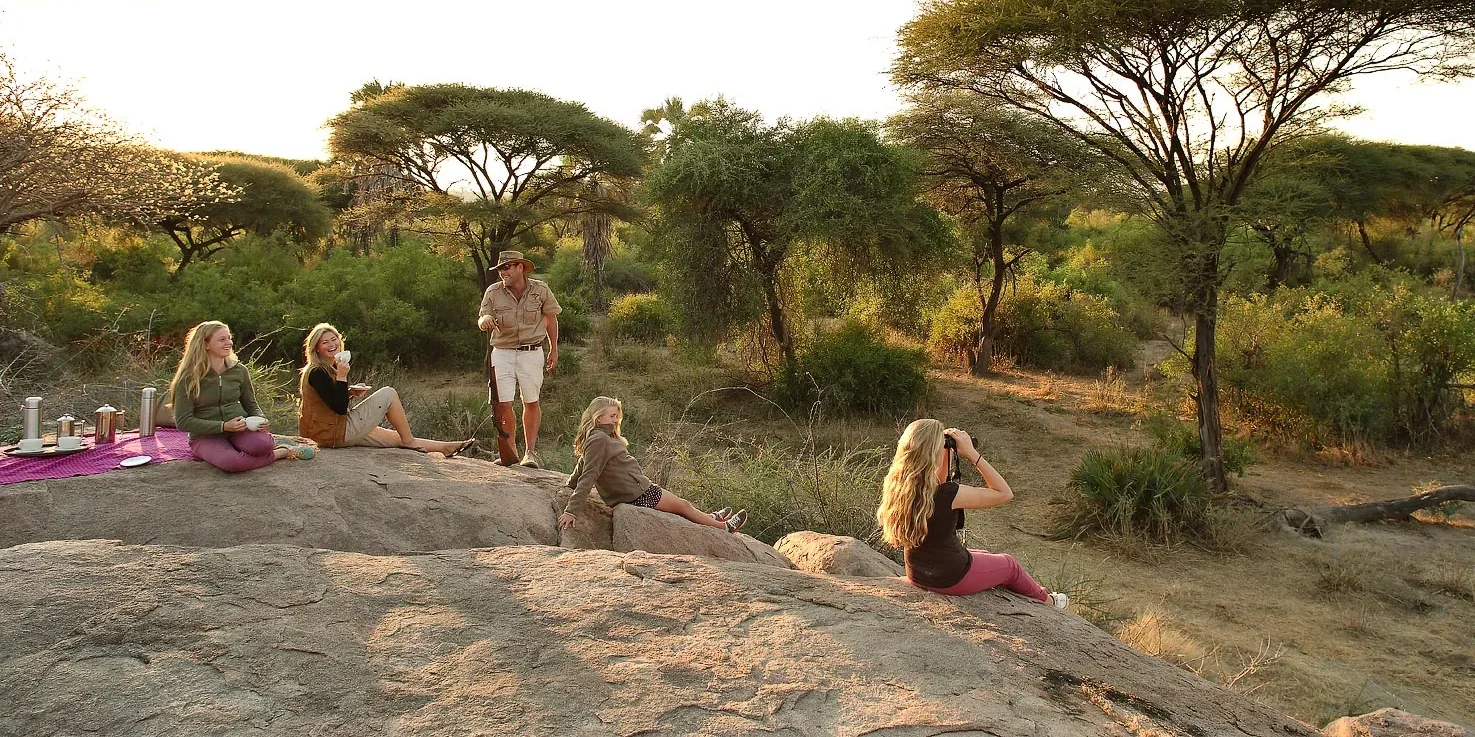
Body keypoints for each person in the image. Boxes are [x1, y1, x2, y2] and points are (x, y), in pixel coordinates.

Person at [876, 418, 1068, 608]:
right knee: (1010, 565)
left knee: (982, 554)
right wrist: (971, 453)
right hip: (949, 578)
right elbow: (1004, 493)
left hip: (918, 573)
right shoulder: (948, 495)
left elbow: (939, 485)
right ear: (934, 452)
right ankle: (1048, 600)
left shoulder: (899, 487)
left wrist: (946, 453)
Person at [558, 396, 748, 534]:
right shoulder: (600, 439)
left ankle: (711, 518)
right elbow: (589, 473)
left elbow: (583, 463)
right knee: (684, 506)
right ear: (598, 418)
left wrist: (570, 484)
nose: (615, 420)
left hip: (635, 490)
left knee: (683, 507)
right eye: (612, 416)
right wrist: (571, 511)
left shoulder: (599, 436)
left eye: (617, 416)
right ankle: (723, 527)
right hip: (637, 494)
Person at [296, 323, 476, 456]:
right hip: (334, 433)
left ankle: (445, 448)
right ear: (316, 348)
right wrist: (342, 377)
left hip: (330, 432)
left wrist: (349, 392)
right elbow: (339, 408)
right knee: (388, 393)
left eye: (334, 339)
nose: (331, 344)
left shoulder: (327, 368)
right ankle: (409, 441)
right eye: (325, 342)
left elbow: (328, 400)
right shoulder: (317, 371)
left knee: (396, 437)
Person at [170, 320, 312, 472]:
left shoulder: (239, 370)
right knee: (233, 463)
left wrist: (260, 418)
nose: (229, 343)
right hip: (205, 436)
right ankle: (283, 451)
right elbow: (183, 421)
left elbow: (251, 403)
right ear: (205, 344)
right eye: (222, 339)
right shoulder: (188, 378)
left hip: (239, 429)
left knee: (264, 445)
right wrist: (223, 426)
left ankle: (270, 444)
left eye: (229, 338)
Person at [477, 250, 561, 468]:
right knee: (503, 403)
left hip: (531, 353)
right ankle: (509, 451)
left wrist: (554, 350)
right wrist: (485, 320)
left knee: (531, 401)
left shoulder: (540, 290)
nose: (502, 272)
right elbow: (482, 316)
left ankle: (530, 453)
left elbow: (551, 319)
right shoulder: (493, 291)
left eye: (506, 267)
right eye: (500, 269)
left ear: (520, 267)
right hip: (502, 352)